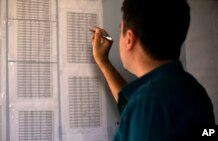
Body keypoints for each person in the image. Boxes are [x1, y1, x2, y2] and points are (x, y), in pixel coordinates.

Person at [90, 0, 215, 140]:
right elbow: (134, 104)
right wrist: (103, 62)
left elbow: (145, 109)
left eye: (121, 30)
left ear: (129, 39)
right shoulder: (194, 90)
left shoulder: (147, 105)